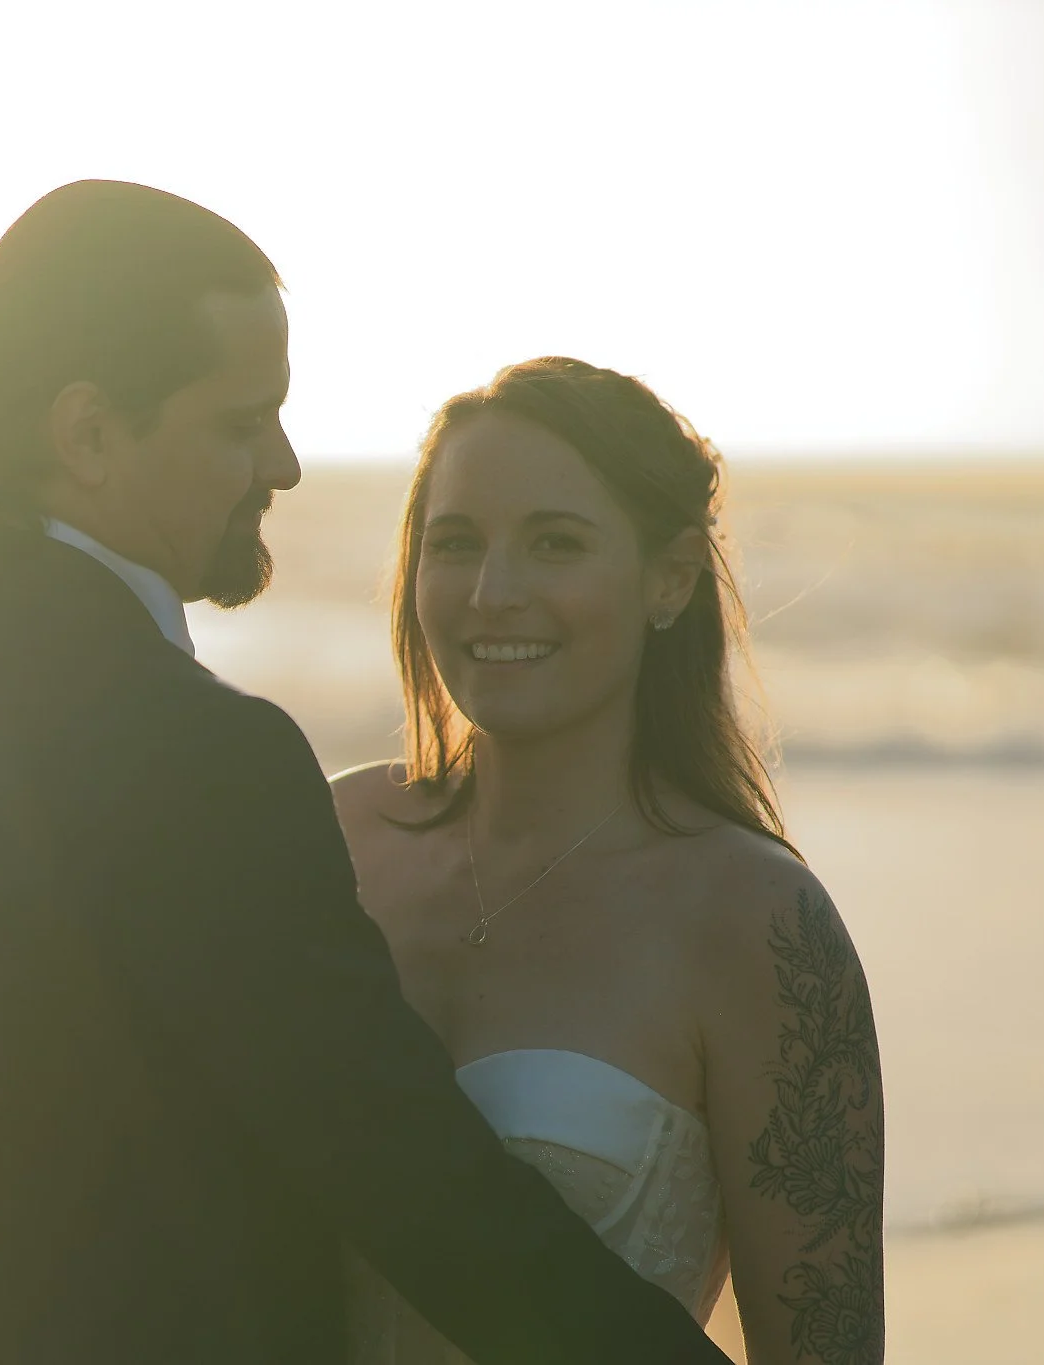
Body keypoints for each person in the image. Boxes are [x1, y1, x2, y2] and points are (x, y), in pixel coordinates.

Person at [0, 182, 730, 1365]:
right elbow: (417, 1188)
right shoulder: (200, 757)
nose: (284, 464)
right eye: (239, 422)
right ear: (89, 432)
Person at [332, 359, 885, 1364]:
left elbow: (826, 1350)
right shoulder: (335, 840)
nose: (492, 593)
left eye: (554, 545)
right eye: (455, 544)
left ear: (667, 578)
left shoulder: (754, 922)